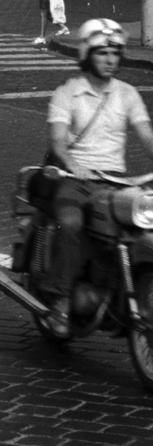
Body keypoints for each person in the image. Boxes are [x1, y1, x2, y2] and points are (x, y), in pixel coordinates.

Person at [38, 18, 153, 336]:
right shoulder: (68, 93)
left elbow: (146, 134)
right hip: (75, 180)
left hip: (116, 183)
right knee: (72, 224)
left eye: (115, 52)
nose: (110, 59)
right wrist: (73, 165)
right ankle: (60, 304)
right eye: (103, 52)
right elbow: (58, 140)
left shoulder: (128, 95)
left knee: (141, 230)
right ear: (88, 54)